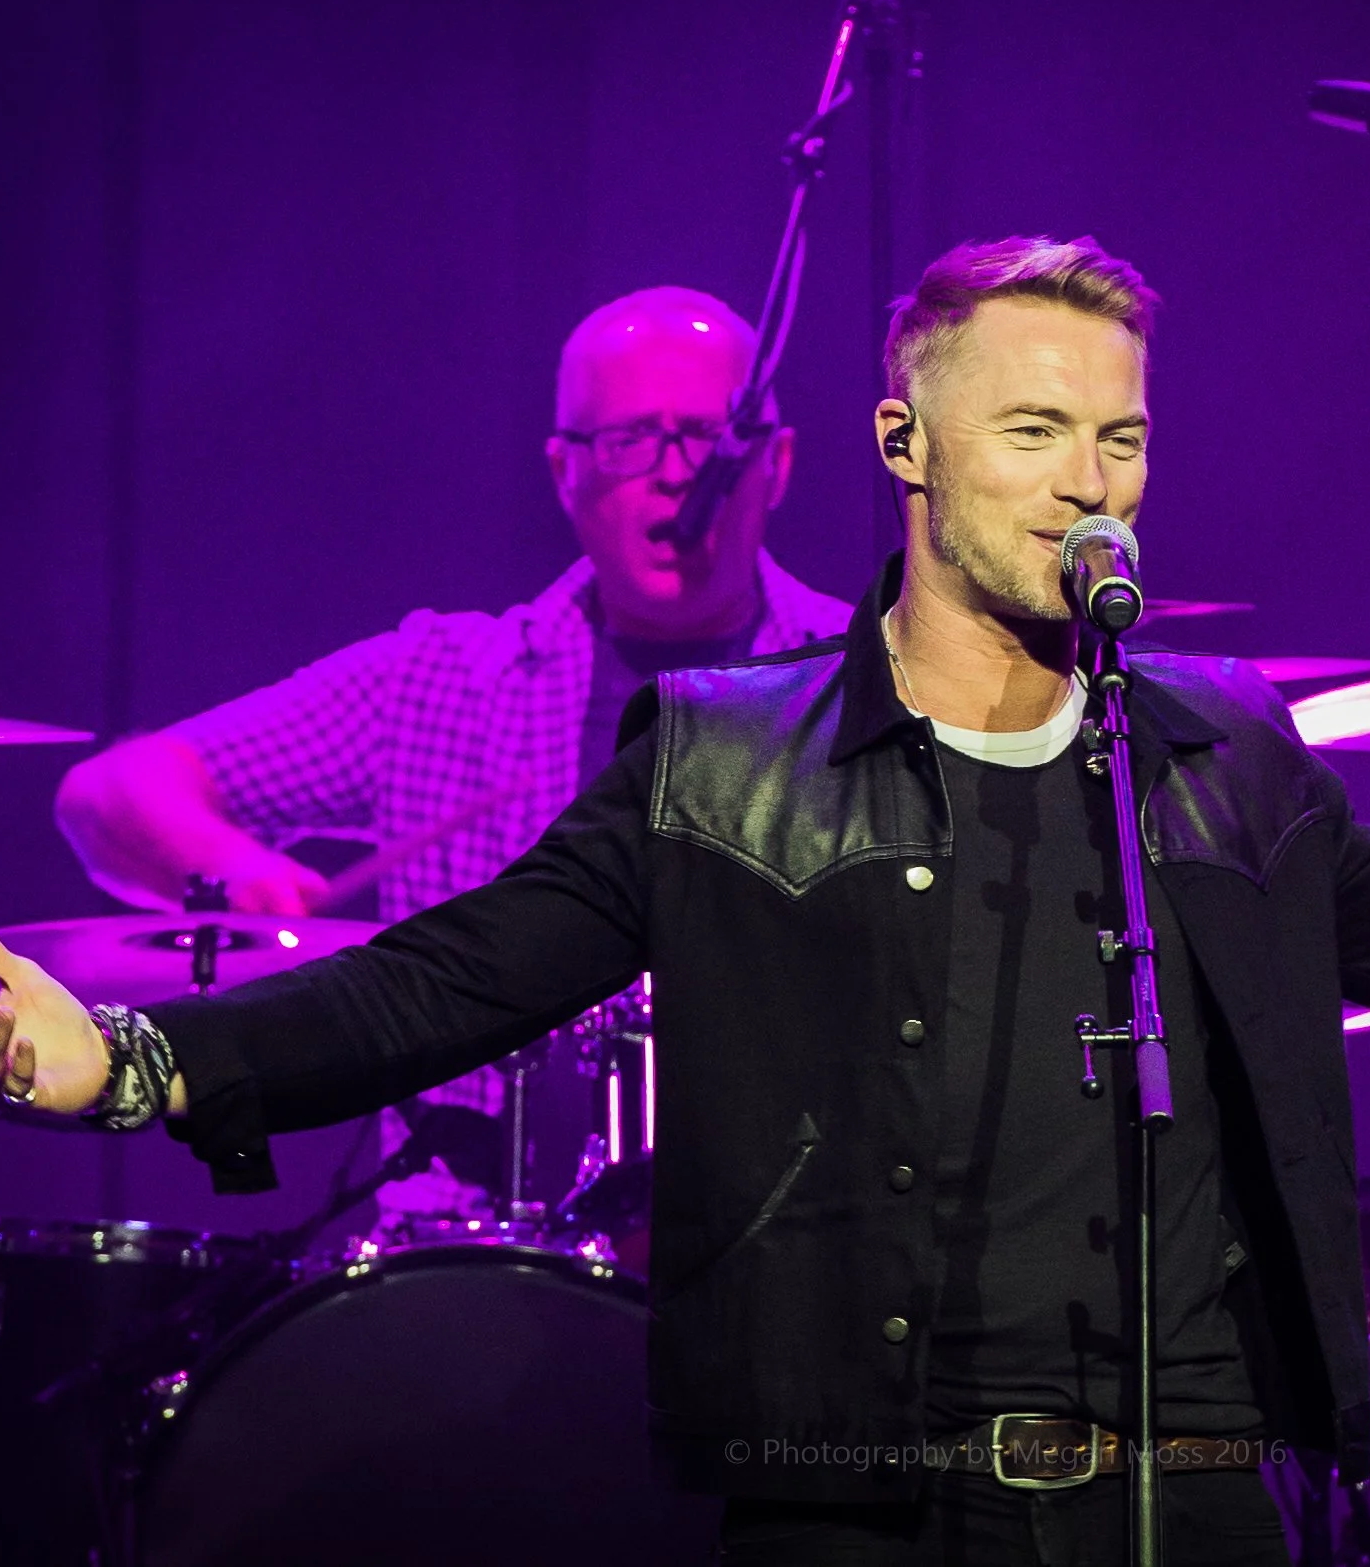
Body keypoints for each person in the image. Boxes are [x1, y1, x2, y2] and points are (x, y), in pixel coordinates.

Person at [0, 236, 1370, 1565]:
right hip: (853, 1485)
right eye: (1036, 429)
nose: (1089, 480)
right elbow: (450, 981)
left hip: (1189, 1476)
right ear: (907, 447)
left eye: (1119, 438)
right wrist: (138, 1061)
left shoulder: (1217, 750)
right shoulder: (727, 755)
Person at [52, 285, 851, 1217]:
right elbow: (112, 794)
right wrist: (235, 869)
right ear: (564, 471)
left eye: (707, 438)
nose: (676, 475)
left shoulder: (860, 680)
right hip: (470, 1236)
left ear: (774, 463)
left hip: (789, 1223)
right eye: (631, 440)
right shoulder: (438, 680)